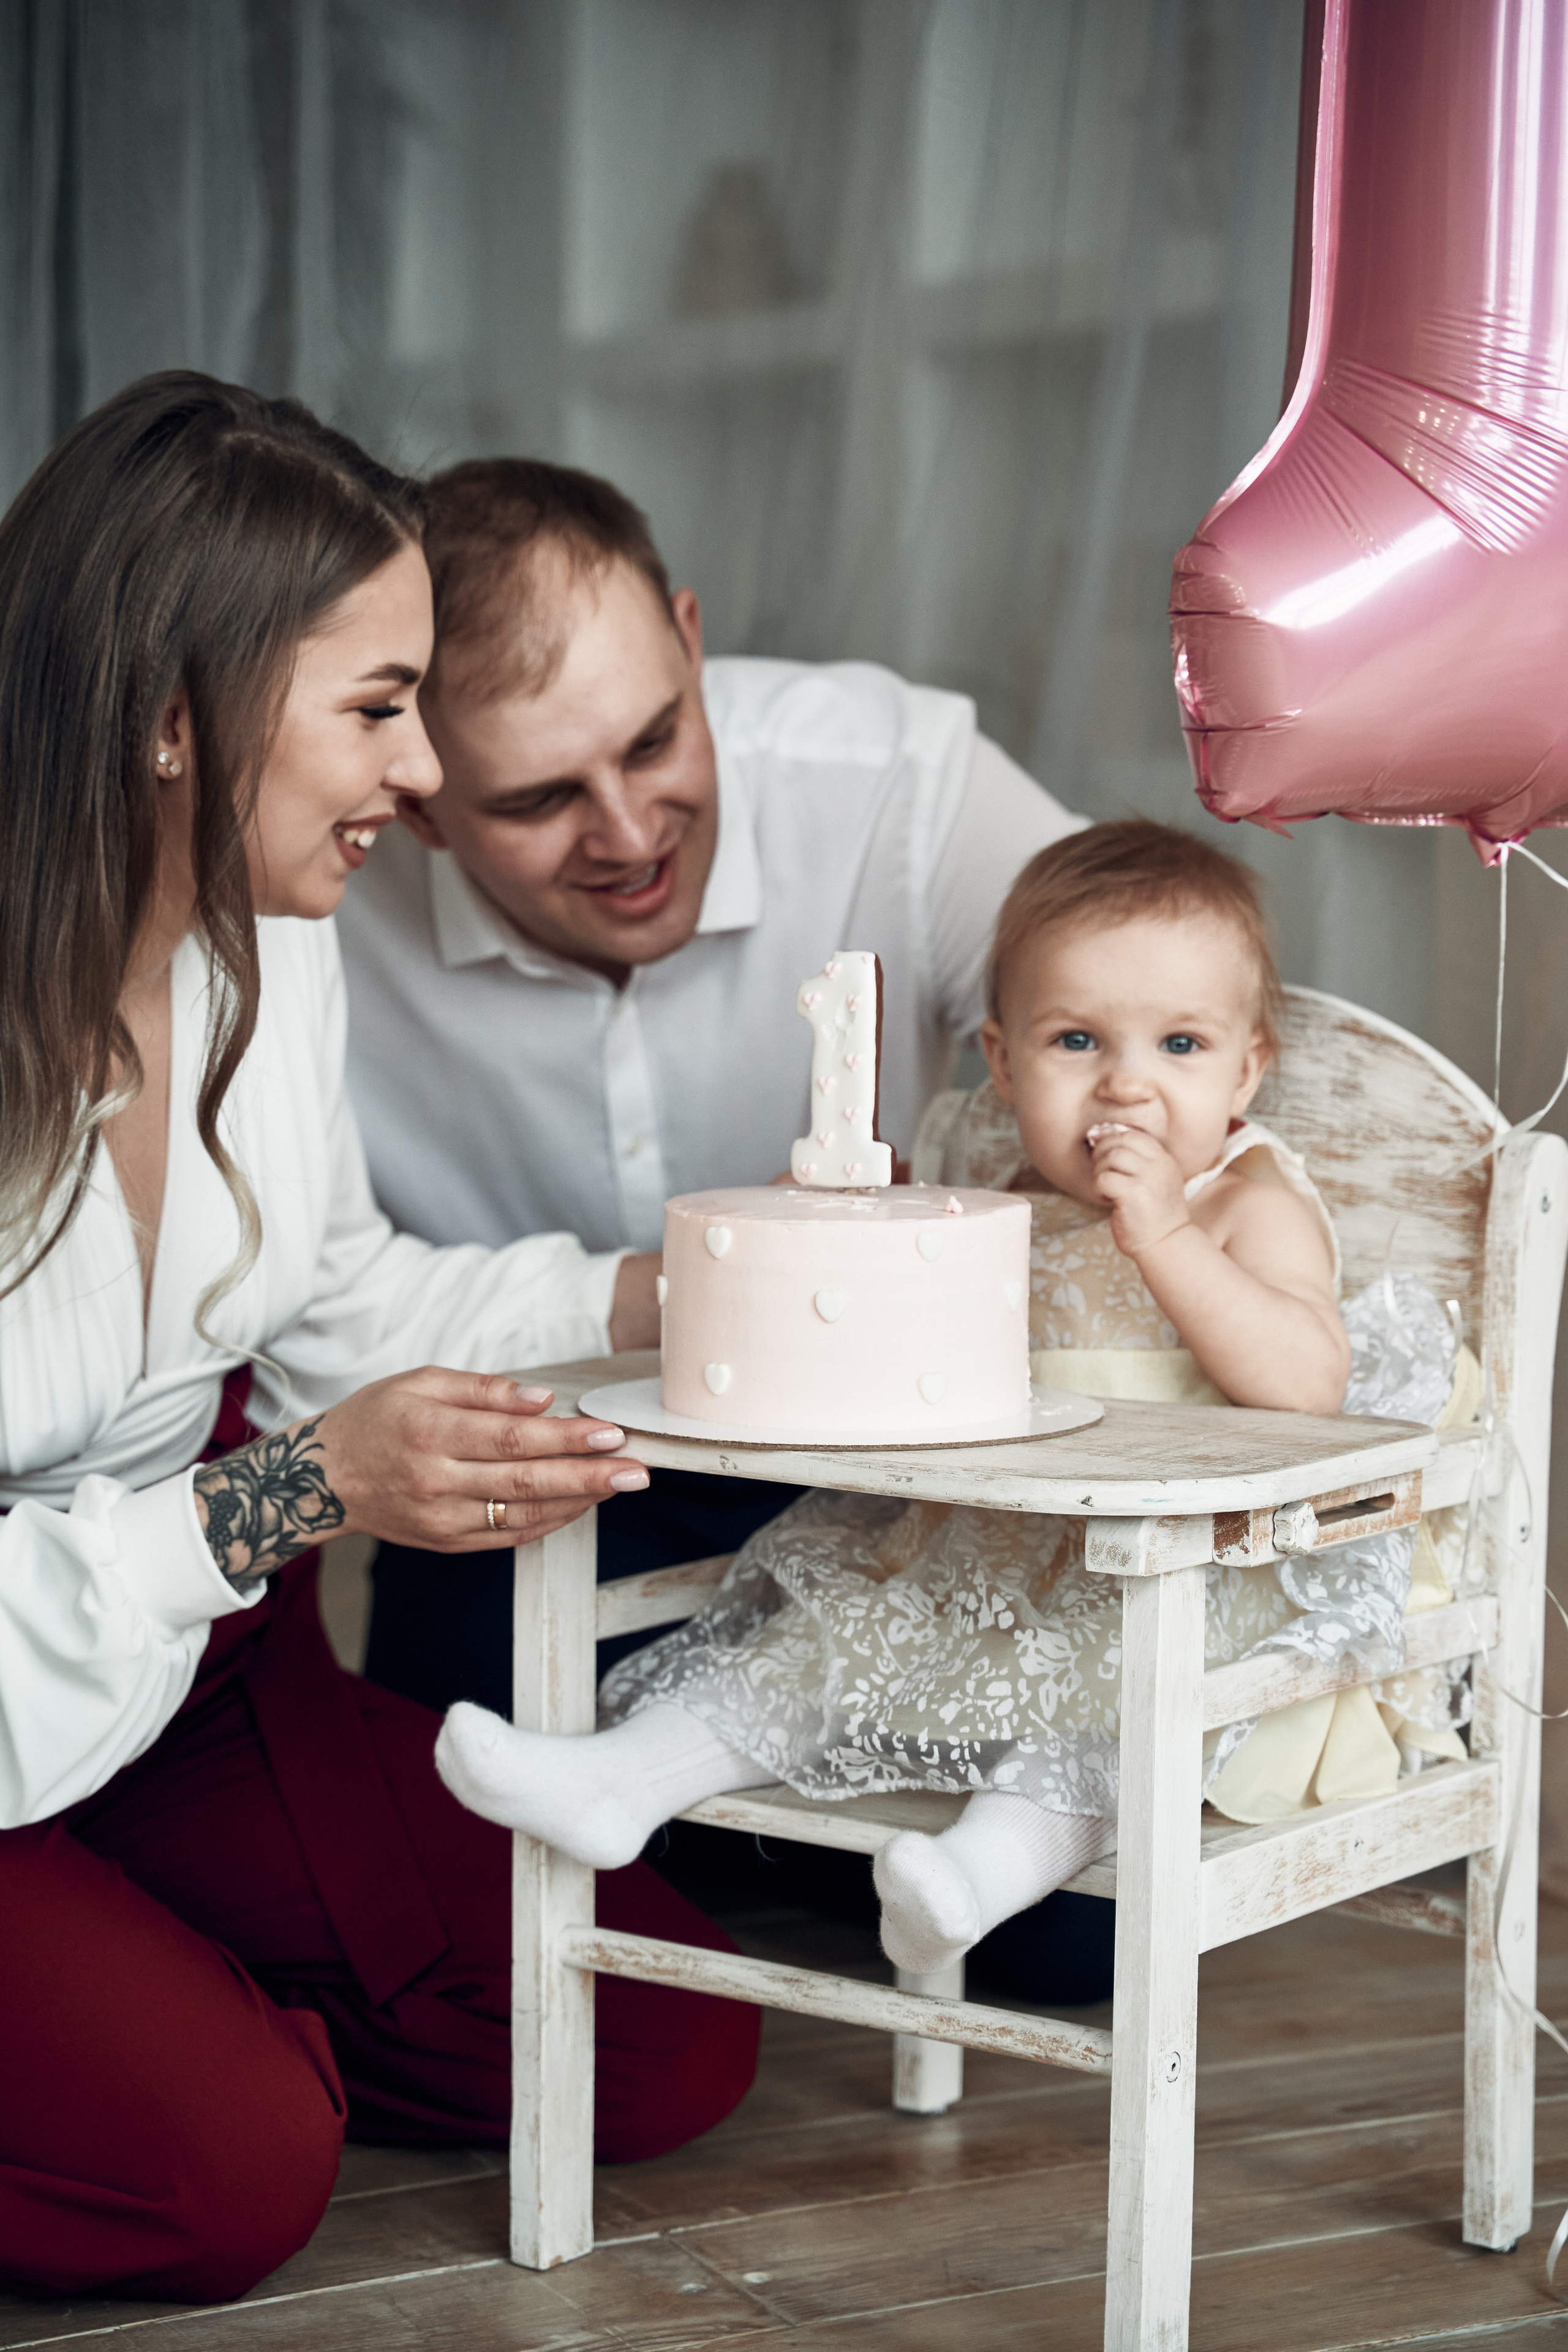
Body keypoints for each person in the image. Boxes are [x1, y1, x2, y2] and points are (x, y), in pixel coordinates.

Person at [0, 374, 759, 2309]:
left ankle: (150, 1973)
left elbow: (340, 1304)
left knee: (661, 2035)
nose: (423, 773)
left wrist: (677, 1286)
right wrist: (294, 1493)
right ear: (173, 718)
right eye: (376, 706)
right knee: (231, 2176)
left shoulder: (281, 950)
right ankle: (178, 2028)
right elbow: (298, 1459)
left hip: (186, 1671)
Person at [435, 821, 1474, 1975]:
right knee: (817, 1641)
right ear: (1004, 1061)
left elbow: (1306, 1383)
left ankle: (975, 1875)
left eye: (1179, 1044)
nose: (1127, 1084)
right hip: (1001, 1541)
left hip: (1184, 1571)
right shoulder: (997, 1208)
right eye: (1077, 1040)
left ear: (1247, 1069)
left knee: (1099, 1720)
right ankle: (620, 1778)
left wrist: (1171, 1238)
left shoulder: (1243, 1204)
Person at [336, 456, 1084, 1719]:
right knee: (454, 1805)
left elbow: (1149, 1019)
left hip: (905, 1482)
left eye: (654, 739)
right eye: (537, 799)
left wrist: (964, 1218)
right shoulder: (315, 894)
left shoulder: (898, 782)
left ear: (688, 642)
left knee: (1055, 1919)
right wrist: (701, 1289)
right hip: (527, 1495)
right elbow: (310, 1310)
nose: (629, 836)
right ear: (417, 802)